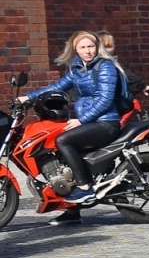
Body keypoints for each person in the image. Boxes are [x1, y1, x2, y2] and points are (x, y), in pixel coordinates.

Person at [19, 31, 125, 215]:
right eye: (83, 47)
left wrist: (81, 120)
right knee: (59, 152)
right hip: (89, 122)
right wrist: (28, 97)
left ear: (97, 47)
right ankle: (71, 213)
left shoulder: (105, 67)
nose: (88, 51)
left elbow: (105, 99)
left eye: (90, 46)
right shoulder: (77, 69)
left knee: (63, 140)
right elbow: (57, 86)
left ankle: (85, 188)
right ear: (75, 50)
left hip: (106, 123)